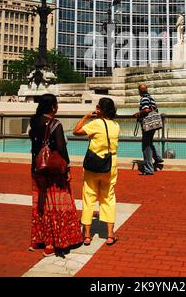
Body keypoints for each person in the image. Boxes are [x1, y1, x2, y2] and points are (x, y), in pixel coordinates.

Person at [29, 94, 83, 257]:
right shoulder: (55, 124)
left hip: (37, 167)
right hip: (53, 170)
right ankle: (53, 243)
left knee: (41, 204)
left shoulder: (34, 121)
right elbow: (61, 148)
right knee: (56, 205)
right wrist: (67, 167)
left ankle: (38, 239)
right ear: (53, 107)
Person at [73, 98, 120, 246]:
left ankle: (87, 235)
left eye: (98, 107)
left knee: (89, 198)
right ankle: (110, 234)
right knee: (108, 198)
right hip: (110, 164)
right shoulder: (116, 125)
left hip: (93, 165)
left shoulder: (95, 124)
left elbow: (76, 131)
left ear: (100, 109)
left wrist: (86, 117)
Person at [134, 84, 163, 175]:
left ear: (139, 91)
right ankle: (158, 158)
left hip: (148, 124)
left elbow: (146, 110)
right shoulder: (151, 98)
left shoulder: (144, 99)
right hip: (154, 123)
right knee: (149, 142)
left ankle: (149, 169)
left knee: (146, 146)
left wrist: (138, 113)